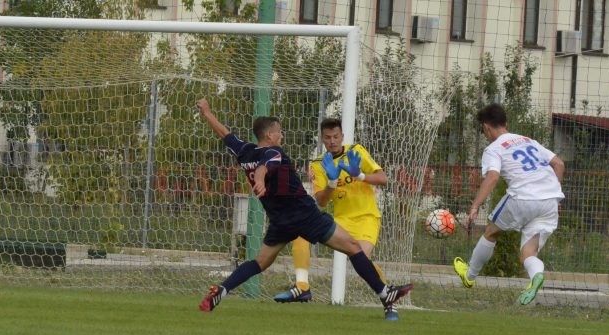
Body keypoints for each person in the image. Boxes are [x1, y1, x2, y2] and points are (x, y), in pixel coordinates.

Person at [195, 99, 413, 317]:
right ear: (269, 136)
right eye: (279, 132)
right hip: (305, 215)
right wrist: (260, 179)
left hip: (280, 221)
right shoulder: (274, 152)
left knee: (259, 263)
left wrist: (206, 112)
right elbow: (264, 166)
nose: (281, 135)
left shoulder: (245, 152)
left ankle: (223, 289)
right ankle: (386, 294)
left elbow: (225, 135)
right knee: (354, 248)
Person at [273, 118, 398, 320]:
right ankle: (302, 286)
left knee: (362, 260)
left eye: (336, 136)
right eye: (327, 137)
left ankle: (388, 303)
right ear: (322, 139)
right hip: (341, 219)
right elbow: (321, 202)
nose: (332, 141)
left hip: (366, 216)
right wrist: (332, 182)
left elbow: (383, 179)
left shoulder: (356, 151)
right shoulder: (318, 164)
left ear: (342, 137)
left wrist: (360, 175)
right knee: (301, 233)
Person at [453, 103, 565, 305]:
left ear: (486, 127)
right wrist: (553, 194)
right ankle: (536, 276)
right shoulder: (529, 141)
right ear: (505, 123)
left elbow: (493, 177)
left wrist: (474, 206)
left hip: (523, 197)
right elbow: (559, 163)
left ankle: (469, 276)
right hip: (550, 201)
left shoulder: (493, 148)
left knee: (490, 232)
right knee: (528, 254)